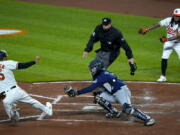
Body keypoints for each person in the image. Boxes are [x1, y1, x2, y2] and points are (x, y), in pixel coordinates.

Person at [64, 60, 155, 126]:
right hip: (114, 93)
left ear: (98, 67)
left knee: (127, 109)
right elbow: (100, 88)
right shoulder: (101, 75)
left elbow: (91, 88)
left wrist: (77, 92)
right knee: (98, 96)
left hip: (122, 91)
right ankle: (114, 112)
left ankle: (148, 118)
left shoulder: (102, 76)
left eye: (93, 68)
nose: (92, 70)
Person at [0, 50, 53, 122]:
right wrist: (34, 61)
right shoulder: (7, 63)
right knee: (32, 101)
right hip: (16, 91)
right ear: (3, 57)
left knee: (13, 117)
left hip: (5, 97)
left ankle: (14, 112)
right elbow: (22, 65)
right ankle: (47, 110)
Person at [139, 8, 180, 82]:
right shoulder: (168, 20)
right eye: (175, 15)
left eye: (178, 16)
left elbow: (178, 35)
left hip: (178, 44)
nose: (176, 17)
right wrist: (147, 29)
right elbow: (158, 24)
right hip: (168, 42)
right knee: (164, 58)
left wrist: (167, 39)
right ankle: (163, 76)